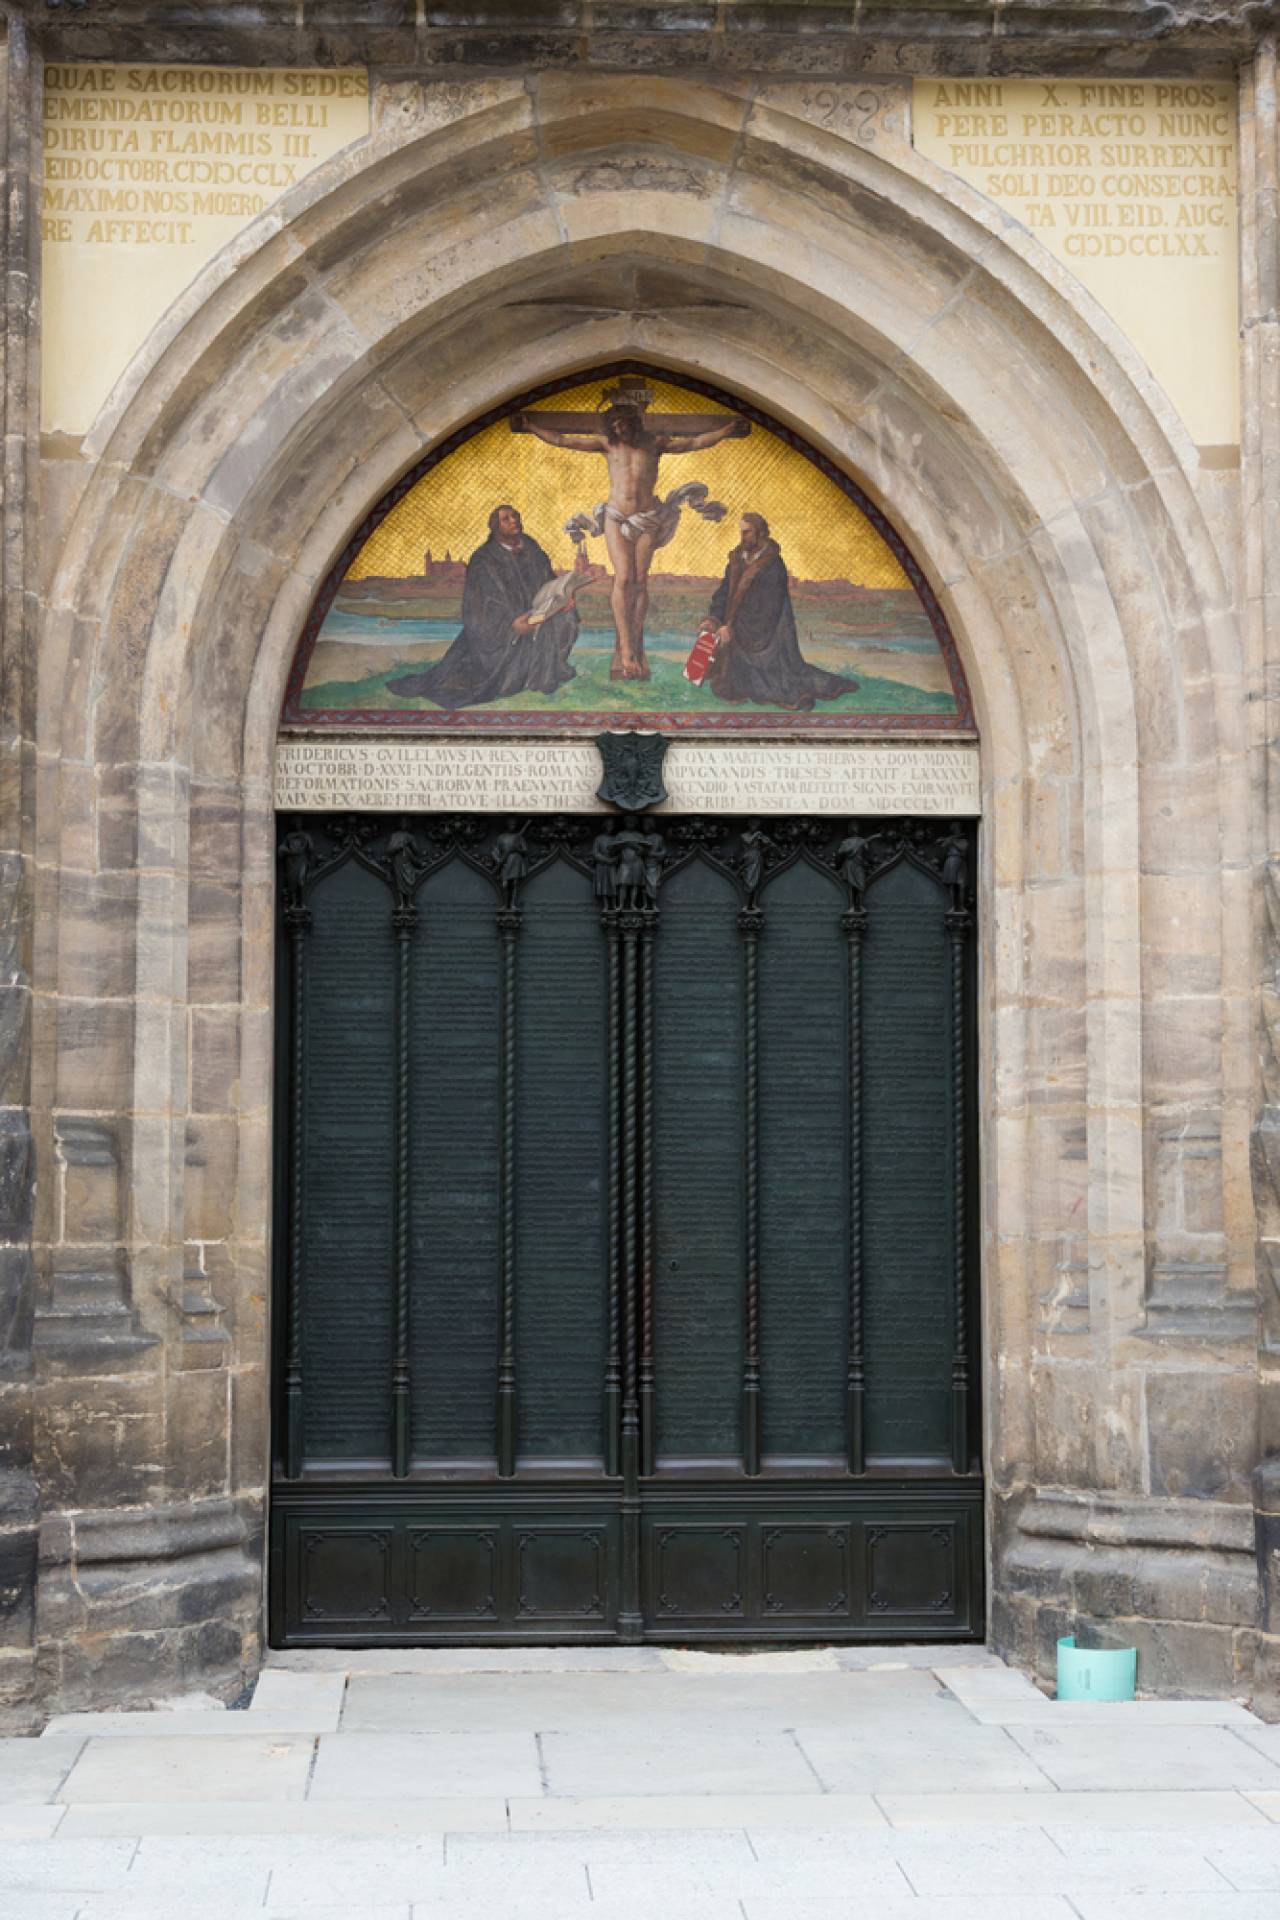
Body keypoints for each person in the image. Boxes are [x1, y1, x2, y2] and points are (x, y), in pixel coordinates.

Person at [516, 394, 748, 680]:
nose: (619, 429)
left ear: (633, 422)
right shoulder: (608, 445)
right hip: (616, 517)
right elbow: (562, 440)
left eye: (623, 423)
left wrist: (726, 430)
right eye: (614, 425)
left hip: (647, 518)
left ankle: (636, 643)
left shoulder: (654, 444)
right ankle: (626, 648)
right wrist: (531, 426)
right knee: (623, 578)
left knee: (639, 580)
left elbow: (694, 442)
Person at [387, 506, 578, 708]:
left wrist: (564, 596)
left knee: (568, 617)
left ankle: (544, 673)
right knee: (483, 673)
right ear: (495, 527)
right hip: (500, 628)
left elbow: (548, 579)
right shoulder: (483, 559)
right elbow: (480, 605)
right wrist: (512, 625)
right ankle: (521, 676)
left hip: (537, 612)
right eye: (506, 519)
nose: (513, 520)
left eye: (515, 516)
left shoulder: (530, 546)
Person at [705, 514, 859, 712]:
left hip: (768, 634)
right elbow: (724, 592)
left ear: (760, 532)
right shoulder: (736, 560)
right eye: (741, 532)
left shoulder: (773, 564)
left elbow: (769, 606)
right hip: (737, 627)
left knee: (780, 685)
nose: (743, 537)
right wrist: (714, 619)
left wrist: (731, 627)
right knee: (728, 684)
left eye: (747, 532)